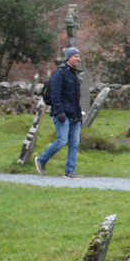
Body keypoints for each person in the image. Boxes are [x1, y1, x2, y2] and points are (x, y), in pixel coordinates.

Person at [35, 47, 84, 178]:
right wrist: (60, 111)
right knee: (62, 140)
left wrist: (79, 115)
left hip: (74, 115)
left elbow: (75, 98)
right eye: (75, 56)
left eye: (79, 56)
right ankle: (42, 159)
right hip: (62, 114)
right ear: (68, 58)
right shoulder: (59, 73)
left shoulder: (74, 75)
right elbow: (55, 94)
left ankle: (70, 171)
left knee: (74, 143)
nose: (78, 59)